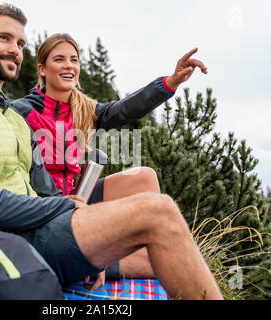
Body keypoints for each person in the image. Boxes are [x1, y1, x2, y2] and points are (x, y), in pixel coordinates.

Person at [0, 4, 223, 299]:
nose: (14, 49)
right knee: (159, 215)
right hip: (1, 235)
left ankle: (98, 256)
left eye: (19, 43)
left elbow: (123, 110)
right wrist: (71, 211)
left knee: (147, 190)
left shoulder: (21, 115)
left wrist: (168, 84)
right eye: (4, 38)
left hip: (52, 209)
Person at [12, 33, 207, 288]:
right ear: (42, 69)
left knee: (145, 176)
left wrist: (169, 83)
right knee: (158, 259)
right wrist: (58, 203)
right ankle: (91, 260)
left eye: (74, 59)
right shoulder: (21, 112)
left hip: (77, 198)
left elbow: (126, 108)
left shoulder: (82, 108)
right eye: (59, 59)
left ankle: (140, 239)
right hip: (46, 208)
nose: (69, 65)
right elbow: (20, 174)